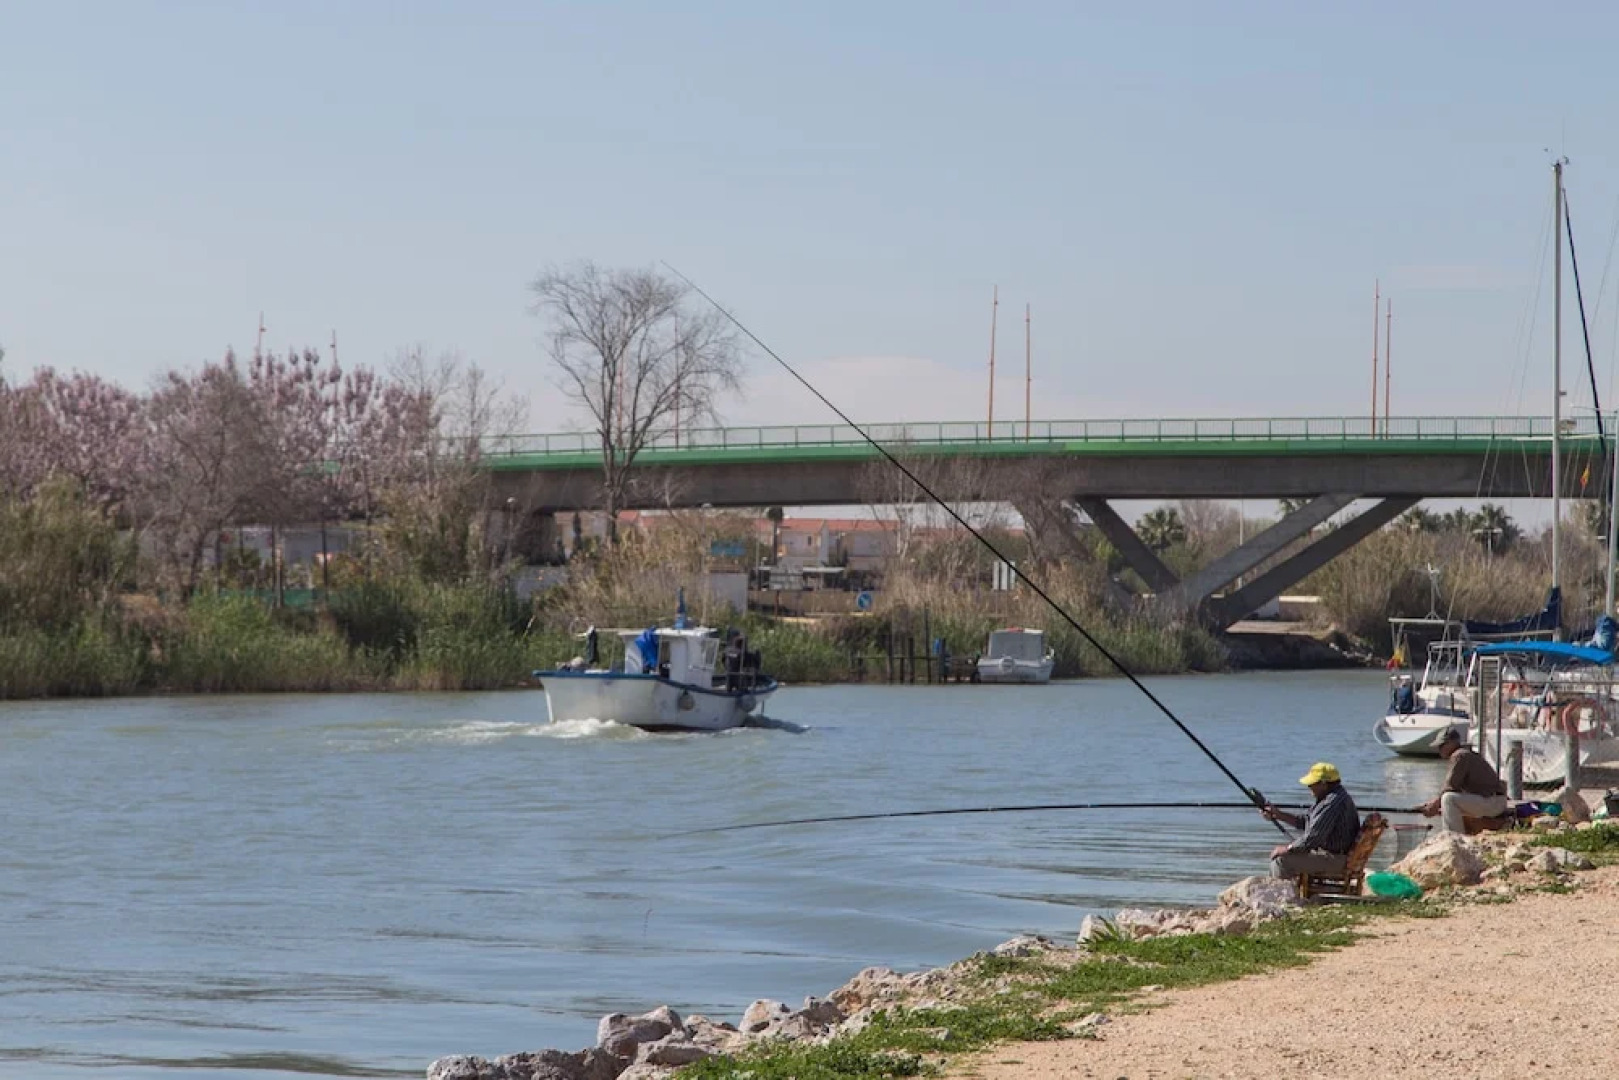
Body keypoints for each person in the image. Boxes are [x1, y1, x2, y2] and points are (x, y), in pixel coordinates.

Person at [1260, 762, 1360, 879]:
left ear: (1323, 784)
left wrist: (1287, 849)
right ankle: (1288, 891)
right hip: (1335, 855)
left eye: (1312, 783)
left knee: (1280, 861)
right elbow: (1306, 822)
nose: (1309, 787)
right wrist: (1278, 815)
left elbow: (1313, 837)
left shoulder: (1331, 802)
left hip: (1335, 859)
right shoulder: (1334, 796)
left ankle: (1283, 896)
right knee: (1285, 857)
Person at [1418, 728, 1507, 833]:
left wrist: (1434, 805)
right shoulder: (1465, 753)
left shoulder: (1459, 755)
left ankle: (1453, 837)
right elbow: (1458, 791)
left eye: (1442, 745)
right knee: (1447, 800)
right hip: (1494, 801)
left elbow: (1450, 786)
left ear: (1452, 743)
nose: (1439, 749)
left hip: (1493, 802)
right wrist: (1435, 805)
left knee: (1448, 799)